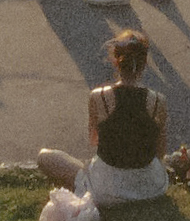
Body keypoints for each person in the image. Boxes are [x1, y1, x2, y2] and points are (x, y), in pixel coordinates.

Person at [37, 25, 171, 205]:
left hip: (106, 190)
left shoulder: (98, 97)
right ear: (145, 63)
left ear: (115, 60)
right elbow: (160, 152)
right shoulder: (158, 101)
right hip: (150, 188)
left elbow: (94, 140)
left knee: (45, 157)